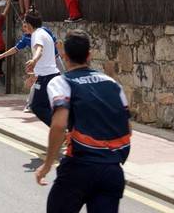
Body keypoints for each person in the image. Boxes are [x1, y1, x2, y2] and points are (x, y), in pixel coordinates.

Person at [34, 29, 131, 213]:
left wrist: (47, 165)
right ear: (89, 55)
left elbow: (59, 125)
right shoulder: (112, 83)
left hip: (78, 168)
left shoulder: (61, 82)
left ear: (64, 55)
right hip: (111, 171)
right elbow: (127, 127)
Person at [24, 11, 60, 126]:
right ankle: (64, 130)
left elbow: (39, 49)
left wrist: (34, 60)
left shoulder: (37, 35)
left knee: (37, 106)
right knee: (50, 106)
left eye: (25, 24)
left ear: (29, 25)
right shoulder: (44, 32)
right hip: (52, 74)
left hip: (46, 77)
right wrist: (33, 75)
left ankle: (61, 132)